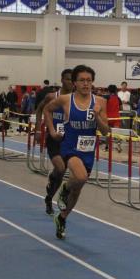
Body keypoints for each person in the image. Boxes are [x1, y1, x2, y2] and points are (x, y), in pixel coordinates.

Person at [42, 65, 110, 239]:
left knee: (77, 189)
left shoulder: (100, 102)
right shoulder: (65, 100)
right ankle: (64, 188)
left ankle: (62, 218)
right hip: (70, 147)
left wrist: (97, 116)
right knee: (80, 177)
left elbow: (105, 131)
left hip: (88, 151)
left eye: (89, 80)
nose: (86, 84)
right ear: (75, 83)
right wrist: (51, 131)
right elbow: (47, 110)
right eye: (82, 80)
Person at [35, 69, 74, 215]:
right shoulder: (52, 96)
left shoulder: (76, 99)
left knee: (63, 174)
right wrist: (38, 130)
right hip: (53, 138)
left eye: (73, 80)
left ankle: (49, 197)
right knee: (61, 168)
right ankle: (52, 182)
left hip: (69, 140)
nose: (71, 82)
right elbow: (39, 110)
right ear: (62, 80)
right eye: (68, 79)